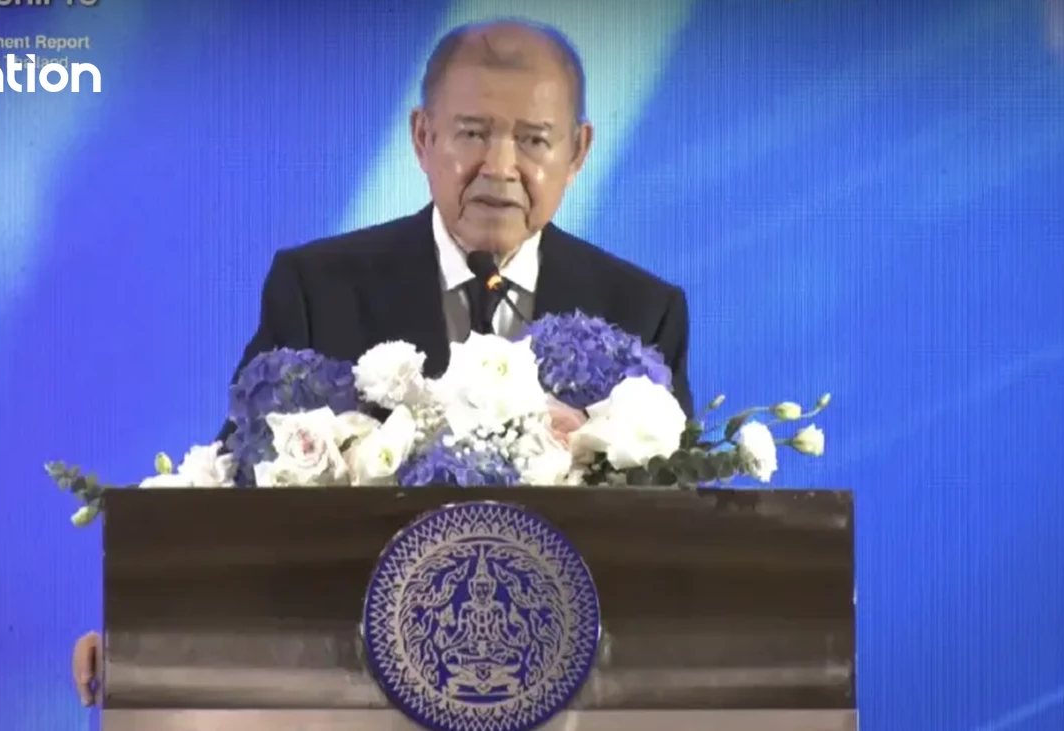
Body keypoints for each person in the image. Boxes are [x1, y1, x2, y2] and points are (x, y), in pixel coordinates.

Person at [70, 18, 693, 707]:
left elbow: (673, 537)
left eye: (534, 140)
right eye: (472, 133)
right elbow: (237, 486)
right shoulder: (318, 288)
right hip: (351, 690)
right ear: (422, 137)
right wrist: (144, 625)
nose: (500, 167)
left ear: (578, 151)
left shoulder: (641, 311)